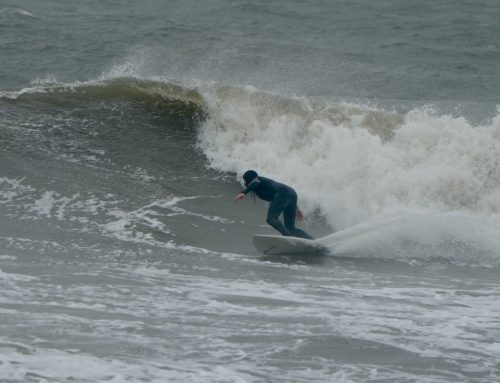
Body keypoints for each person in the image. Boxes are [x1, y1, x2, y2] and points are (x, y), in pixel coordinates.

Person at [234, 170, 314, 239]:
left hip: (282, 193)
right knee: (290, 228)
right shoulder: (259, 185)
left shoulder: (258, 180)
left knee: (271, 219)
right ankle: (312, 241)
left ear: (249, 179)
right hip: (291, 193)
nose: (244, 183)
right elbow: (285, 194)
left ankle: (289, 238)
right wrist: (296, 209)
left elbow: (255, 181)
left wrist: (243, 193)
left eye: (245, 180)